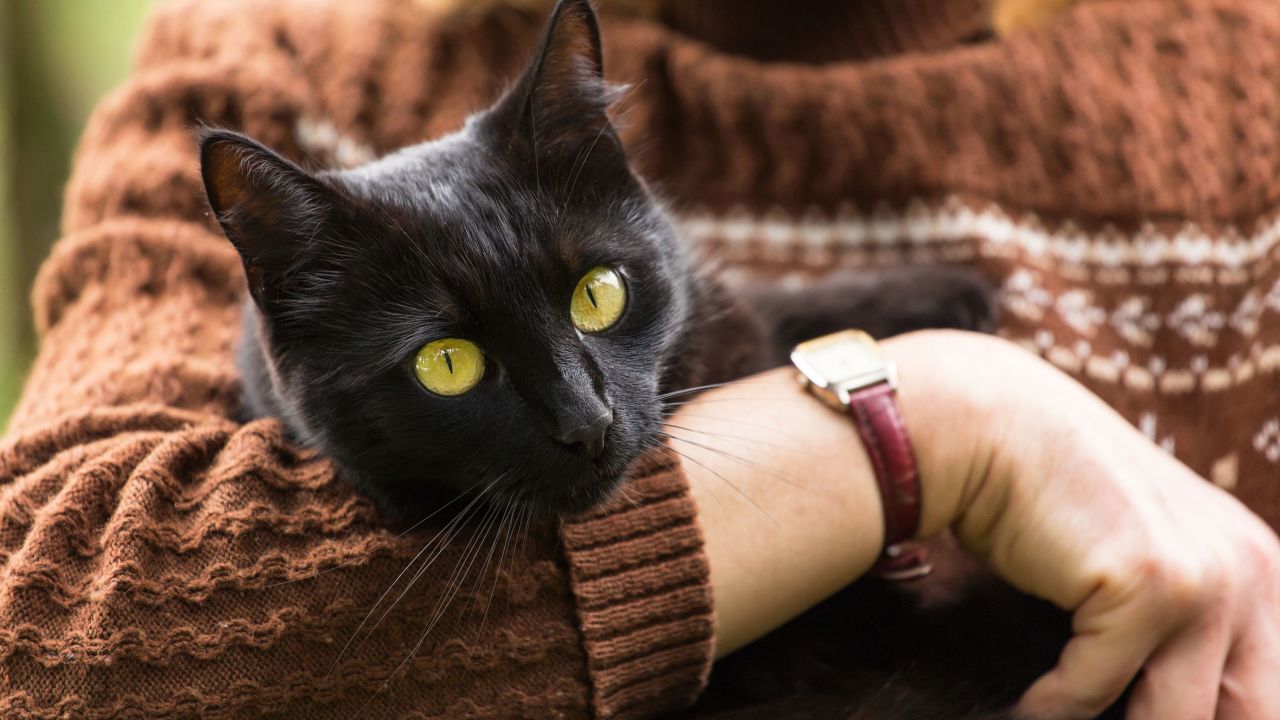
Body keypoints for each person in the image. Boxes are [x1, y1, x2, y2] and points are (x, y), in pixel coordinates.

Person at [2, 0, 1277, 718]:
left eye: (603, 294)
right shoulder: (279, 55)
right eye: (451, 365)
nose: (581, 422)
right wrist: (920, 424)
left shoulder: (1248, 82)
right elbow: (43, 632)